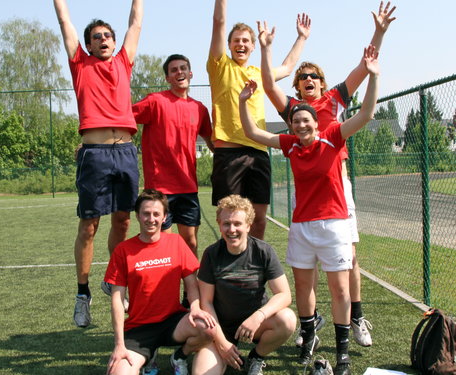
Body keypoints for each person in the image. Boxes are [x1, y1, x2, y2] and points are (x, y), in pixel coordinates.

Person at [259, 1, 396, 347]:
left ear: (322, 83)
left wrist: (379, 31)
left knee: (348, 256)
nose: (307, 80)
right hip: (307, 194)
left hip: (338, 187)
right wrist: (298, 39)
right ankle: (310, 325)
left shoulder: (335, 100)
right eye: (302, 77)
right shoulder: (295, 112)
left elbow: (366, 66)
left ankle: (356, 316)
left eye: (313, 77)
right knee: (307, 267)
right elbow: (266, 83)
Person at [239, 45, 380, 374]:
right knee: (303, 287)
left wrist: (373, 76)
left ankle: (343, 352)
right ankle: (308, 337)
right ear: (291, 126)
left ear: (317, 123)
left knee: (340, 288)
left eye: (306, 120)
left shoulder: (333, 137)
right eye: (295, 121)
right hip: (302, 227)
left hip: (334, 224)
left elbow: (367, 114)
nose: (301, 125)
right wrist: (245, 102)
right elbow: (252, 132)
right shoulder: (290, 144)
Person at [53, 0, 143, 328]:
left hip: (126, 153)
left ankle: (111, 279)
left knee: (122, 222)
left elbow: (135, 23)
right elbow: (64, 21)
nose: (103, 39)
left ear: (114, 42)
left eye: (107, 35)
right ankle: (82, 294)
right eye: (96, 36)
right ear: (88, 44)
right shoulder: (80, 63)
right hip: (94, 155)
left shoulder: (123, 61)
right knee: (89, 225)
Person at [207, 0, 310, 240]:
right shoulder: (219, 66)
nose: (240, 44)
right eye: (236, 40)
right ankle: (229, 272)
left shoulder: (258, 73)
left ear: (253, 46)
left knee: (259, 220)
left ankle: (254, 271)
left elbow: (286, 66)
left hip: (258, 152)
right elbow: (219, 22)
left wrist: (301, 38)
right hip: (228, 154)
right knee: (230, 220)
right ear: (229, 45)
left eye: (245, 41)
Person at [104, 189, 216, 375]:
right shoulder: (123, 250)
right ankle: (150, 356)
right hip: (139, 328)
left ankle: (179, 356)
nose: (151, 219)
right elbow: (117, 300)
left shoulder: (176, 242)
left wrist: (195, 307)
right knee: (118, 373)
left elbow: (191, 283)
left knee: (208, 329)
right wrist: (119, 345)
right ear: (138, 216)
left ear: (164, 217)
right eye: (146, 213)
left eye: (156, 214)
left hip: (173, 322)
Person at [193, 194, 296, 375]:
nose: (232, 229)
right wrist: (221, 343)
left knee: (287, 319)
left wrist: (258, 316)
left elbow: (284, 294)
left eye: (237, 224)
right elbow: (206, 302)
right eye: (226, 223)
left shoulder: (263, 251)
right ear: (219, 224)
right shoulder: (211, 254)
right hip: (220, 326)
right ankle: (224, 349)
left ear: (248, 225)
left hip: (254, 325)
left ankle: (256, 356)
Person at [132, 54, 213, 258]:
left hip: (188, 186)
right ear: (168, 78)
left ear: (190, 73)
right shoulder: (155, 101)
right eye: (174, 70)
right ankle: (165, 290)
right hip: (160, 189)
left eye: (183, 68)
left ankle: (190, 291)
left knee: (191, 243)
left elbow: (212, 142)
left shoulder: (200, 109)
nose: (179, 72)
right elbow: (124, 116)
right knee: (163, 246)